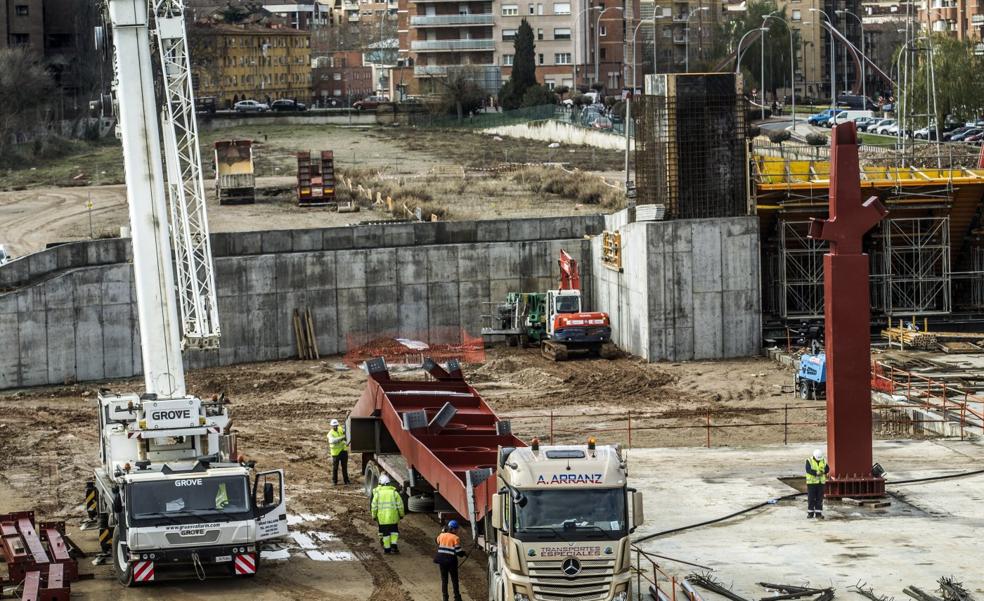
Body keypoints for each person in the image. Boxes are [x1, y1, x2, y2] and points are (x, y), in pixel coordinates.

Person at [370, 474, 405, 553]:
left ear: (380, 484)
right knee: (394, 532)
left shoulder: (377, 494)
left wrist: (374, 516)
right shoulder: (394, 493)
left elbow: (374, 507)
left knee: (385, 534)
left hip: (382, 519)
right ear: (389, 483)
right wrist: (401, 515)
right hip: (393, 518)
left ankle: (387, 549)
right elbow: (400, 506)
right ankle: (394, 546)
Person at [434, 520, 466, 601]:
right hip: (451, 562)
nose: (457, 530)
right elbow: (458, 552)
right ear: (454, 529)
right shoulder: (455, 538)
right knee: (454, 580)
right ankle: (457, 597)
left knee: (444, 580)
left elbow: (436, 541)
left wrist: (442, 532)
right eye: (457, 529)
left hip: (442, 561)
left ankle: (445, 598)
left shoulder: (441, 535)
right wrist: (463, 553)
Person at [805, 448, 829, 519]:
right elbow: (808, 470)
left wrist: (823, 471)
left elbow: (827, 469)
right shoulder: (809, 461)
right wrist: (816, 473)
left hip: (820, 483)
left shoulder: (823, 460)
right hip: (811, 483)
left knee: (819, 498)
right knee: (811, 498)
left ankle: (818, 513)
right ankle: (810, 513)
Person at [327, 419, 350, 485]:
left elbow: (346, 431)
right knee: (335, 468)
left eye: (336, 426)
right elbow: (333, 441)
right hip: (336, 453)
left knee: (344, 467)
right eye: (333, 426)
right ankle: (334, 481)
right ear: (331, 426)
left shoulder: (340, 429)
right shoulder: (330, 434)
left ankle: (346, 480)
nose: (335, 427)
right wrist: (343, 437)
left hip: (343, 451)